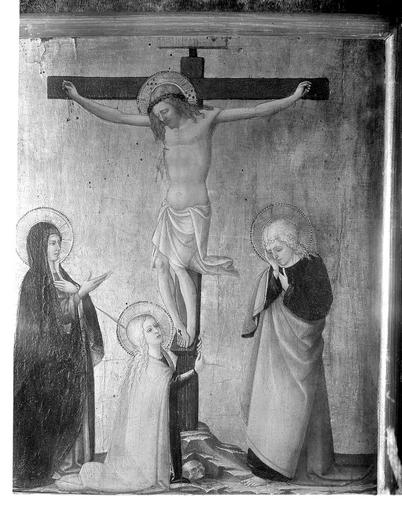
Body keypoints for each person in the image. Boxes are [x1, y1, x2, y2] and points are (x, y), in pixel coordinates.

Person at [62, 73, 312, 347]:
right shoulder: (163, 128)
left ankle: (190, 329)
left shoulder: (206, 119)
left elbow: (255, 111)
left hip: (194, 210)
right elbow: (117, 116)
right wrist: (78, 98)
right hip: (170, 210)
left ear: (178, 104)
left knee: (179, 267)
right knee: (161, 265)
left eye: (165, 112)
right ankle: (177, 323)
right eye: (158, 115)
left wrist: (293, 97)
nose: (162, 118)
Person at [56, 303, 205, 493]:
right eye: (149, 330)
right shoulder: (145, 365)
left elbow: (171, 376)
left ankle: (176, 475)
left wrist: (194, 352)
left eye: (156, 326)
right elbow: (170, 384)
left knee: (173, 440)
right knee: (164, 443)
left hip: (167, 411)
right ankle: (160, 474)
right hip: (150, 423)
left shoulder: (164, 355)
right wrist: (195, 372)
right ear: (141, 338)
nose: (156, 330)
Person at [14, 217, 110, 489]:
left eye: (59, 242)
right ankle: (54, 465)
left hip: (69, 359)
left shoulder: (64, 277)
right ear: (39, 246)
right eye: (52, 243)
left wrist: (78, 294)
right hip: (44, 365)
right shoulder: (33, 281)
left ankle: (73, 464)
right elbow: (49, 322)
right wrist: (78, 295)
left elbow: (76, 317)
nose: (57, 248)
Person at [241, 207, 335, 486]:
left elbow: (320, 306)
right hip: (274, 353)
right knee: (269, 400)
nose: (274, 253)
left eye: (278, 248)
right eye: (270, 250)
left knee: (291, 406)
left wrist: (288, 289)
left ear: (291, 242)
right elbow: (263, 305)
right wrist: (273, 275)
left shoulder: (312, 264)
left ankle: (280, 469)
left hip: (301, 351)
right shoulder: (274, 270)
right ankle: (263, 466)